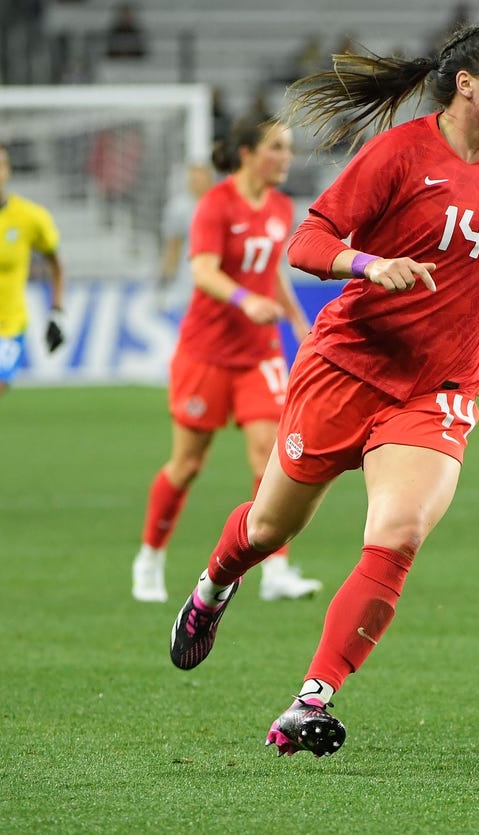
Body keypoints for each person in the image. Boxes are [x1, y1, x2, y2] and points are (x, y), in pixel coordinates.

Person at [167, 22, 479, 759]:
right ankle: (214, 585)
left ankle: (312, 698)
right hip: (346, 366)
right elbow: (306, 242)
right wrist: (368, 264)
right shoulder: (400, 154)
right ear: (467, 83)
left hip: (437, 385)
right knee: (270, 530)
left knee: (400, 531)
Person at [131, 115, 321, 604]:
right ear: (247, 155)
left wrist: (297, 319)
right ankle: (150, 557)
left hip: (259, 354)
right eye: (277, 147)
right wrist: (245, 302)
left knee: (271, 456)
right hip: (207, 354)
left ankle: (276, 569)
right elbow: (204, 272)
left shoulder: (280, 206)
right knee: (188, 464)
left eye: (288, 148)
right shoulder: (215, 205)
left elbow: (270, 268)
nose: (286, 157)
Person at [0, 138, 66, 546]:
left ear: (7, 172)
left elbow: (55, 261)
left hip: (2, 333)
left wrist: (57, 310)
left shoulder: (28, 218)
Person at [156, 162, 214, 311]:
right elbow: (173, 246)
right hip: (188, 281)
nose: (195, 179)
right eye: (192, 175)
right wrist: (165, 280)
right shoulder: (179, 207)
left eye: (200, 174)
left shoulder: (223, 204)